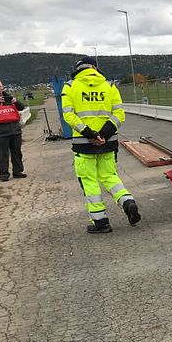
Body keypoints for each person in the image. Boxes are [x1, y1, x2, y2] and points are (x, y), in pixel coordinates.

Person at [62, 56, 141, 233]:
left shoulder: (70, 87)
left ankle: (101, 222)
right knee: (110, 176)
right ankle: (127, 201)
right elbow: (119, 114)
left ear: (78, 69)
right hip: (108, 142)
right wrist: (103, 134)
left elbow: (68, 115)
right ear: (95, 68)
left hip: (84, 144)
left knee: (89, 181)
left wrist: (90, 134)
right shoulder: (110, 86)